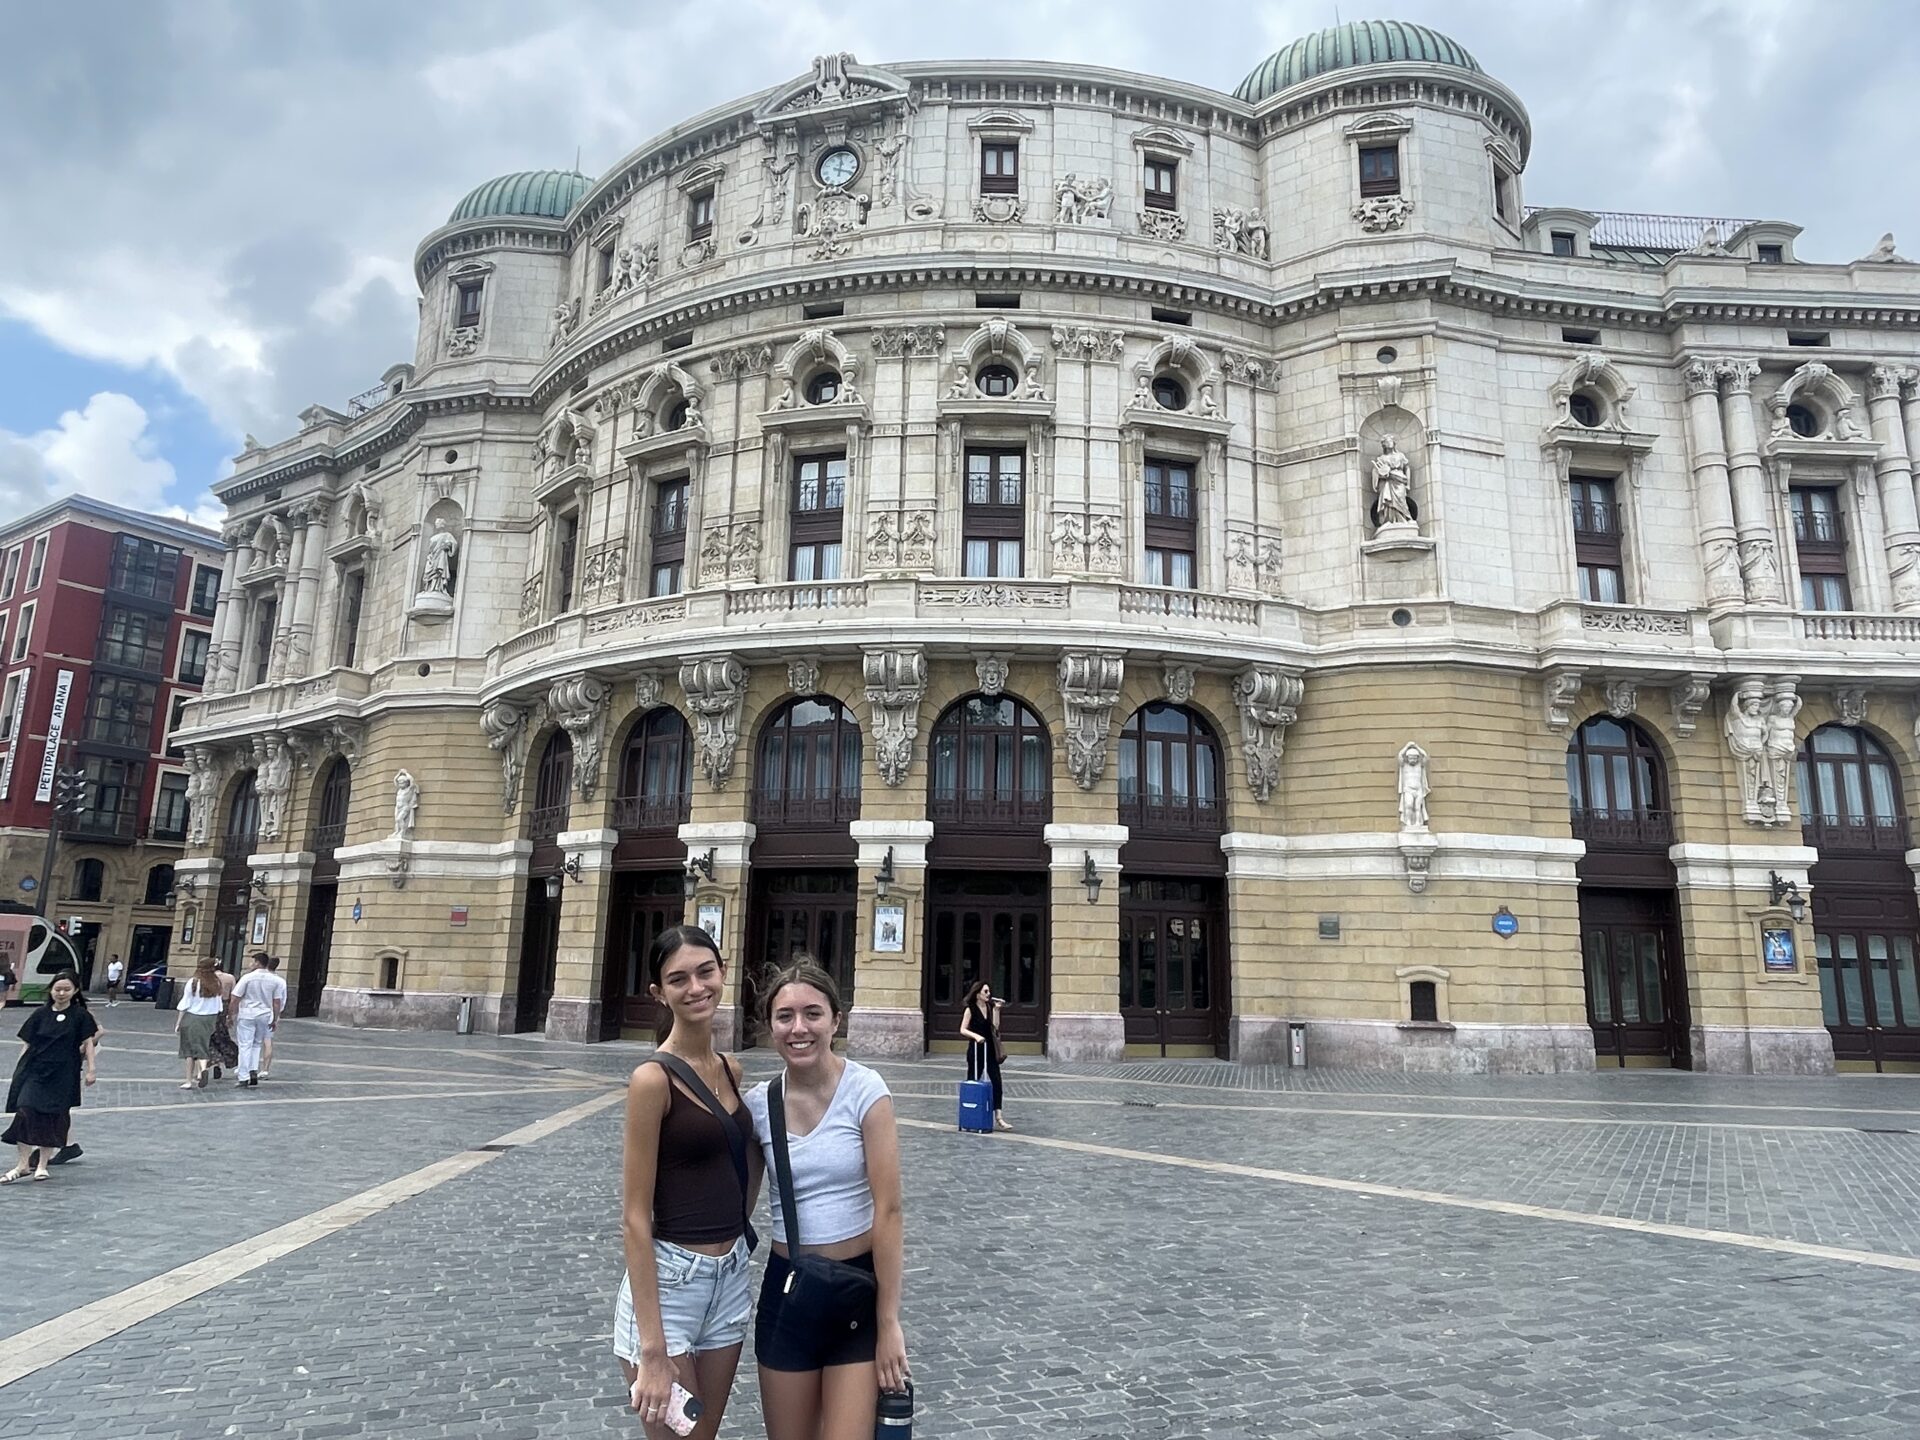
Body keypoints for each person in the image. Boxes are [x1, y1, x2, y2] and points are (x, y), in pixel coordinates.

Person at [745, 960, 908, 1440]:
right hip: (788, 1293)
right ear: (770, 1026)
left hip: (856, 1293)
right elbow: (735, 1208)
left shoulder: (866, 1091)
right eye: (785, 1016)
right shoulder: (759, 1105)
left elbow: (889, 1211)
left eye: (812, 1013)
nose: (799, 1028)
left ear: (836, 1020)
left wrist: (889, 1322)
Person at [616, 925, 758, 1440]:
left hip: (730, 1281)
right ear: (659, 992)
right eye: (679, 979)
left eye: (706, 972)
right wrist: (652, 1348)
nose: (696, 988)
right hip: (670, 1288)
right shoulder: (652, 1080)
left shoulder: (731, 1070)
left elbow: (743, 1163)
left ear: (723, 973)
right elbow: (634, 1217)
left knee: (705, 1435)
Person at [3, 972, 98, 1183]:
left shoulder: (80, 1015)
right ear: (51, 990)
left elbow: (89, 1043)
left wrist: (91, 1069)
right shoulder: (40, 1014)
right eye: (57, 989)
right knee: (25, 1111)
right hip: (35, 1070)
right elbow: (27, 1043)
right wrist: (19, 1071)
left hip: (63, 1074)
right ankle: (23, 1163)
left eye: (66, 989)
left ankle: (42, 1165)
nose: (61, 993)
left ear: (75, 991)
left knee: (52, 1117)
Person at [958, 979, 1011, 1132]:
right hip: (976, 1049)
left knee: (996, 1082)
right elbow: (962, 1029)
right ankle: (971, 1115)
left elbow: (995, 1027)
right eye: (985, 991)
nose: (988, 994)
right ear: (977, 994)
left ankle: (999, 1117)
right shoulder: (970, 1009)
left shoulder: (989, 1007)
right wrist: (976, 1036)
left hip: (990, 1049)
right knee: (973, 1081)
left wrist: (997, 1010)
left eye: (989, 991)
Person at [230, 952, 285, 1088]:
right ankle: (253, 1069)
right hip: (264, 1014)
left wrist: (230, 1014)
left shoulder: (247, 978)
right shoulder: (275, 980)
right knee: (256, 1043)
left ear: (258, 963)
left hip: (247, 1013)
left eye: (253, 961)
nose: (251, 964)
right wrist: (275, 1018)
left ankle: (244, 1076)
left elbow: (235, 997)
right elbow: (277, 1002)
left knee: (245, 1045)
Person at [175, 958, 224, 1089]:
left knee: (188, 1049)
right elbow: (219, 1005)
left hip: (193, 1017)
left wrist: (178, 1022)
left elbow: (185, 1003)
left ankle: (188, 1080)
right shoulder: (216, 982)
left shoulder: (193, 982)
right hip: (210, 1018)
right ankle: (202, 1069)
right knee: (203, 1045)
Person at [260, 955, 283, 1077]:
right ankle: (265, 1069)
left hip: (255, 1012)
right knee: (267, 1040)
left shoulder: (259, 977)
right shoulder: (280, 981)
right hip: (271, 1013)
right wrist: (276, 1015)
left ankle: (247, 1067)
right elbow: (280, 1001)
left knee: (251, 1042)